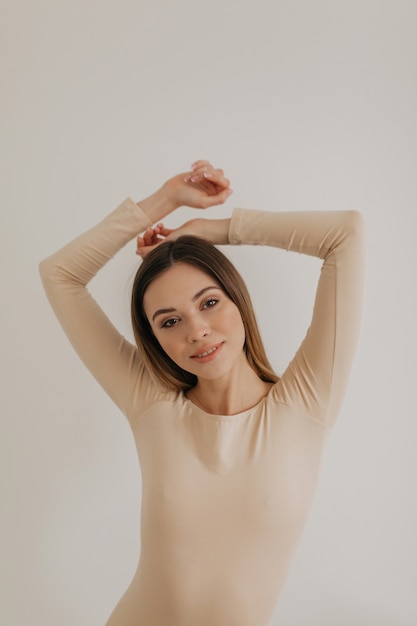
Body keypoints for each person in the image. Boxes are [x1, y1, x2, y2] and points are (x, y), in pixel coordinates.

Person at [39, 160, 366, 626]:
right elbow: (59, 274)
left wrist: (212, 231)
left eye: (209, 302)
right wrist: (161, 201)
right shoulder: (150, 404)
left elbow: (346, 234)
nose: (197, 331)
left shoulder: (307, 402)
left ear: (238, 301)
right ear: (155, 338)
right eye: (169, 321)